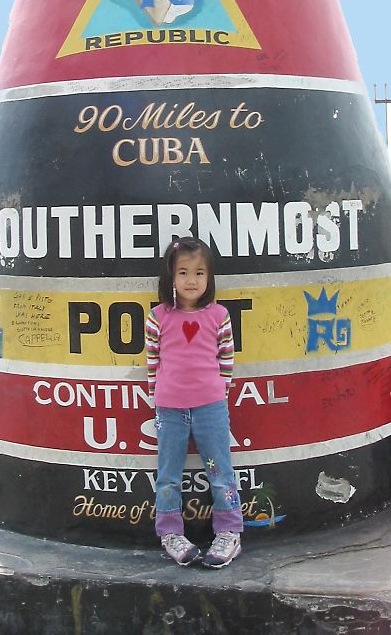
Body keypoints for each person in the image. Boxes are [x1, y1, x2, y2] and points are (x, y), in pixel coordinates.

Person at [145, 237, 242, 568]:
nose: (191, 280)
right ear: (170, 277)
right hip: (169, 410)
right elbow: (153, 361)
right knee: (168, 474)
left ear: (209, 277)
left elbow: (226, 358)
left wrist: (219, 393)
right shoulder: (157, 317)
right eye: (183, 272)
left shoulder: (219, 315)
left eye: (199, 273)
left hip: (210, 408)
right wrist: (157, 394)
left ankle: (229, 532)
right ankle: (170, 533)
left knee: (220, 471)